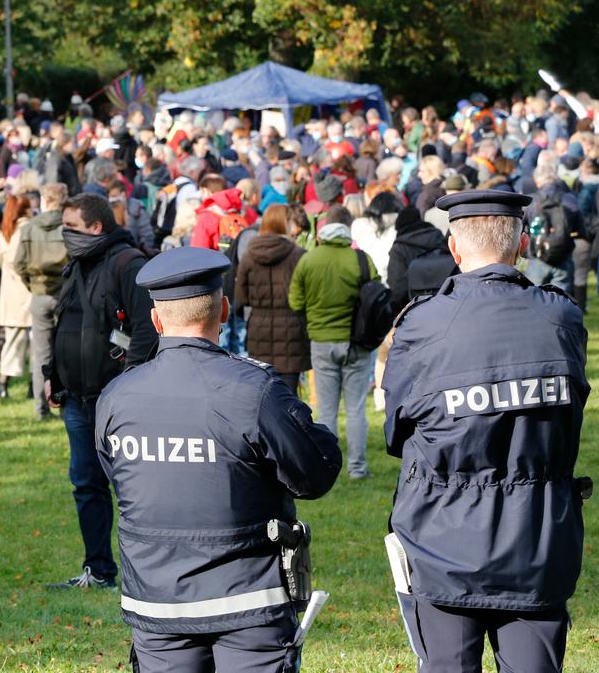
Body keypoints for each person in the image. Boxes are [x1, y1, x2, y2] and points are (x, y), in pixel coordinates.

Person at [97, 247, 340, 670]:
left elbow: (116, 476)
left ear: (156, 320)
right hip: (247, 601)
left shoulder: (117, 396)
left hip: (160, 600)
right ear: (224, 309)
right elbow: (315, 471)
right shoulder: (254, 389)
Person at [384, 190, 588, 673]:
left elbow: (396, 431)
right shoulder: (561, 317)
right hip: (536, 539)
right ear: (521, 247)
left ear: (455, 250)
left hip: (444, 540)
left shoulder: (422, 324)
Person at [45, 192, 158, 589]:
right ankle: (98, 569)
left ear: (96, 227)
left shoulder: (128, 264)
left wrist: (131, 381)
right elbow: (65, 324)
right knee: (86, 484)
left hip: (117, 398)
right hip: (76, 397)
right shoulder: (76, 266)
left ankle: (146, 572)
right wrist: (51, 374)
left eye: (71, 227)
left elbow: (146, 328)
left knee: (132, 485)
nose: (65, 235)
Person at [288, 205, 377, 480]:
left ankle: (328, 467)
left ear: (322, 236)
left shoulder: (308, 260)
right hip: (356, 342)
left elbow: (295, 302)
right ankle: (358, 469)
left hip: (322, 341)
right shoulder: (360, 259)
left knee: (326, 409)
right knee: (356, 408)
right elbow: (376, 295)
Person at [235, 205, 310, 392]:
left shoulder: (249, 255)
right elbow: (305, 294)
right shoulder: (298, 255)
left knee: (263, 392)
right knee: (290, 395)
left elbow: (241, 296)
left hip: (259, 328)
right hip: (292, 328)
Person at [14, 183, 69, 420]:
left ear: (44, 200)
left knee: (41, 354)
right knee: (67, 352)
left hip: (40, 293)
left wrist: (32, 285)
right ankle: (66, 404)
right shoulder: (69, 228)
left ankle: (41, 407)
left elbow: (19, 264)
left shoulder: (29, 229)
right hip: (66, 295)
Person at [0, 193, 33, 400]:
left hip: (10, 291)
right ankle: (33, 385)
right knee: (37, 343)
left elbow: (1, 261)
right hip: (30, 289)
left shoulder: (4, 232)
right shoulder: (31, 228)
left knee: (12, 341)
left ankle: (3, 384)